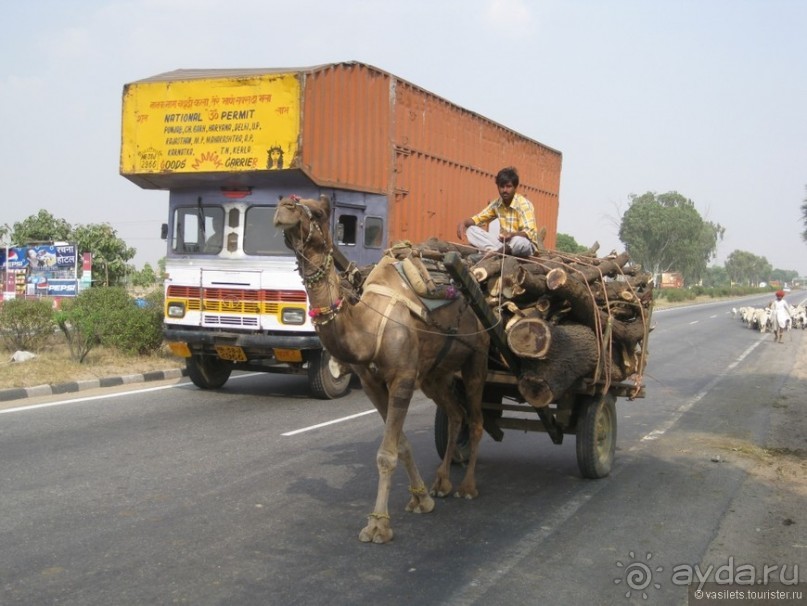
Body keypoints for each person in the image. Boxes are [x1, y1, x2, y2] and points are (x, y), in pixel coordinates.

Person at [456, 166, 542, 258]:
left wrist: (511, 235)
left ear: (515, 187)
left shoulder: (524, 204)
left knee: (518, 241)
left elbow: (529, 233)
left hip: (522, 246)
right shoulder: (497, 204)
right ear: (498, 187)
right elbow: (479, 218)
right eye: (502, 186)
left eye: (508, 186)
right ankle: (496, 252)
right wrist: (464, 223)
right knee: (471, 230)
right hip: (503, 245)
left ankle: (496, 254)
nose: (505, 190)